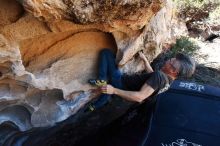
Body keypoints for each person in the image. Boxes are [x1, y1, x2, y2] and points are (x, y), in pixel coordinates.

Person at [87, 48, 195, 111]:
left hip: (122, 83)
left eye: (171, 62)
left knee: (106, 53)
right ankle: (94, 106)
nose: (168, 61)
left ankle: (101, 79)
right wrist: (145, 60)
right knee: (108, 90)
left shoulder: (159, 77)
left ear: (173, 71)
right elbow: (152, 77)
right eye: (171, 59)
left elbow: (139, 97)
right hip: (127, 89)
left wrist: (114, 90)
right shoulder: (168, 81)